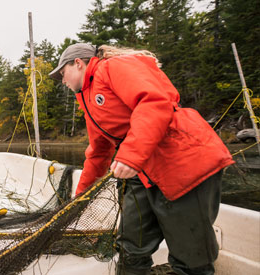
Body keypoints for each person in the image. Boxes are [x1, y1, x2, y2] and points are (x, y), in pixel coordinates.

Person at [49, 43, 234, 274]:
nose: (62, 80)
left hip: (183, 161)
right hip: (143, 171)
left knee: (191, 257)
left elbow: (153, 101)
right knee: (131, 248)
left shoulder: (112, 67)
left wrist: (130, 156)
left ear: (78, 63)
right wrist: (79, 199)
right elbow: (99, 151)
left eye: (62, 73)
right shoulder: (85, 98)